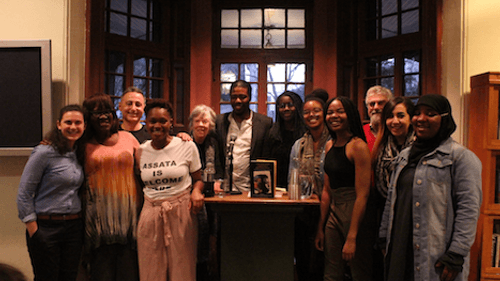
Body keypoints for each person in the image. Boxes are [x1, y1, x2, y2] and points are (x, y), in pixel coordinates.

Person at [379, 94, 482, 281]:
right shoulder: (404, 156)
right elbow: (392, 198)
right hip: (400, 250)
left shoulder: (461, 158)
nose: (421, 118)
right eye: (417, 113)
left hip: (435, 257)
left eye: (430, 113)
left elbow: (468, 210)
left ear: (444, 118)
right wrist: (384, 236)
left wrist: (456, 254)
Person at [136, 99, 204, 281]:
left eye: (163, 121)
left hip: (181, 211)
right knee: (150, 271)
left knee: (183, 270)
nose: (157, 125)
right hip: (150, 213)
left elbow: (198, 179)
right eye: (152, 121)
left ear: (171, 122)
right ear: (146, 123)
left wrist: (196, 192)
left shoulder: (186, 146)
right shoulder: (140, 152)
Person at [17, 104, 86, 281]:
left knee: (69, 277)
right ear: (59, 124)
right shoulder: (44, 152)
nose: (73, 127)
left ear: (84, 126)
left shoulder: (79, 153)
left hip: (73, 228)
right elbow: (24, 193)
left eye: (78, 122)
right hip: (46, 228)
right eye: (68, 122)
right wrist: (34, 231)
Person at [81, 93, 141, 281]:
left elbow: (147, 168)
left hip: (129, 221)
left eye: (107, 111)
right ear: (88, 117)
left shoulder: (128, 138)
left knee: (129, 274)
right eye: (97, 113)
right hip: (98, 224)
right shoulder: (82, 144)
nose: (104, 116)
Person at [315, 97, 372, 281]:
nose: (334, 116)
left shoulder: (358, 146)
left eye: (340, 111)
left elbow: (363, 195)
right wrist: (321, 227)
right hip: (333, 211)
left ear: (350, 114)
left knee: (359, 271)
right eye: (330, 112)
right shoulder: (330, 145)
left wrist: (352, 236)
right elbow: (326, 190)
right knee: (331, 272)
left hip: (354, 212)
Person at [289, 89, 330, 281]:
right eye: (306, 112)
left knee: (325, 263)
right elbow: (293, 178)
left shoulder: (334, 141)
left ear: (325, 113)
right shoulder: (299, 145)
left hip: (331, 209)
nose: (311, 115)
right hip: (304, 211)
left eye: (316, 111)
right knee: (304, 261)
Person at [215, 80, 273, 192]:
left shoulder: (264, 123)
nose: (238, 101)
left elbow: (267, 157)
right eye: (234, 97)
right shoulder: (220, 121)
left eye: (242, 97)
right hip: (224, 189)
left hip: (251, 189)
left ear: (250, 98)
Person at [188, 104, 223, 281]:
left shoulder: (215, 143)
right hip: (191, 198)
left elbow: (220, 169)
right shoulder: (185, 142)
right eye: (197, 120)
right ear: (191, 123)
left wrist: (218, 181)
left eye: (205, 121)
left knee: (212, 238)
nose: (201, 124)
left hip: (213, 199)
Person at [265, 91, 306, 189]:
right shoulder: (272, 133)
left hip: (301, 187)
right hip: (277, 187)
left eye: (290, 105)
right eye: (282, 106)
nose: (286, 109)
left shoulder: (306, 133)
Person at [363, 86, 393, 151]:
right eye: (372, 104)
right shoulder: (360, 133)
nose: (376, 107)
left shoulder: (396, 131)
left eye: (380, 103)